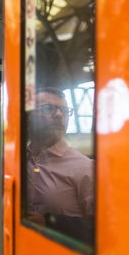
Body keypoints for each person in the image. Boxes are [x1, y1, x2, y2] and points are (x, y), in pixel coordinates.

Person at [26, 87, 94, 244]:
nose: (58, 115)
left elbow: (102, 228)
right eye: (49, 108)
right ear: (29, 116)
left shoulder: (84, 168)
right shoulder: (17, 161)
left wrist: (49, 223)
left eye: (64, 110)